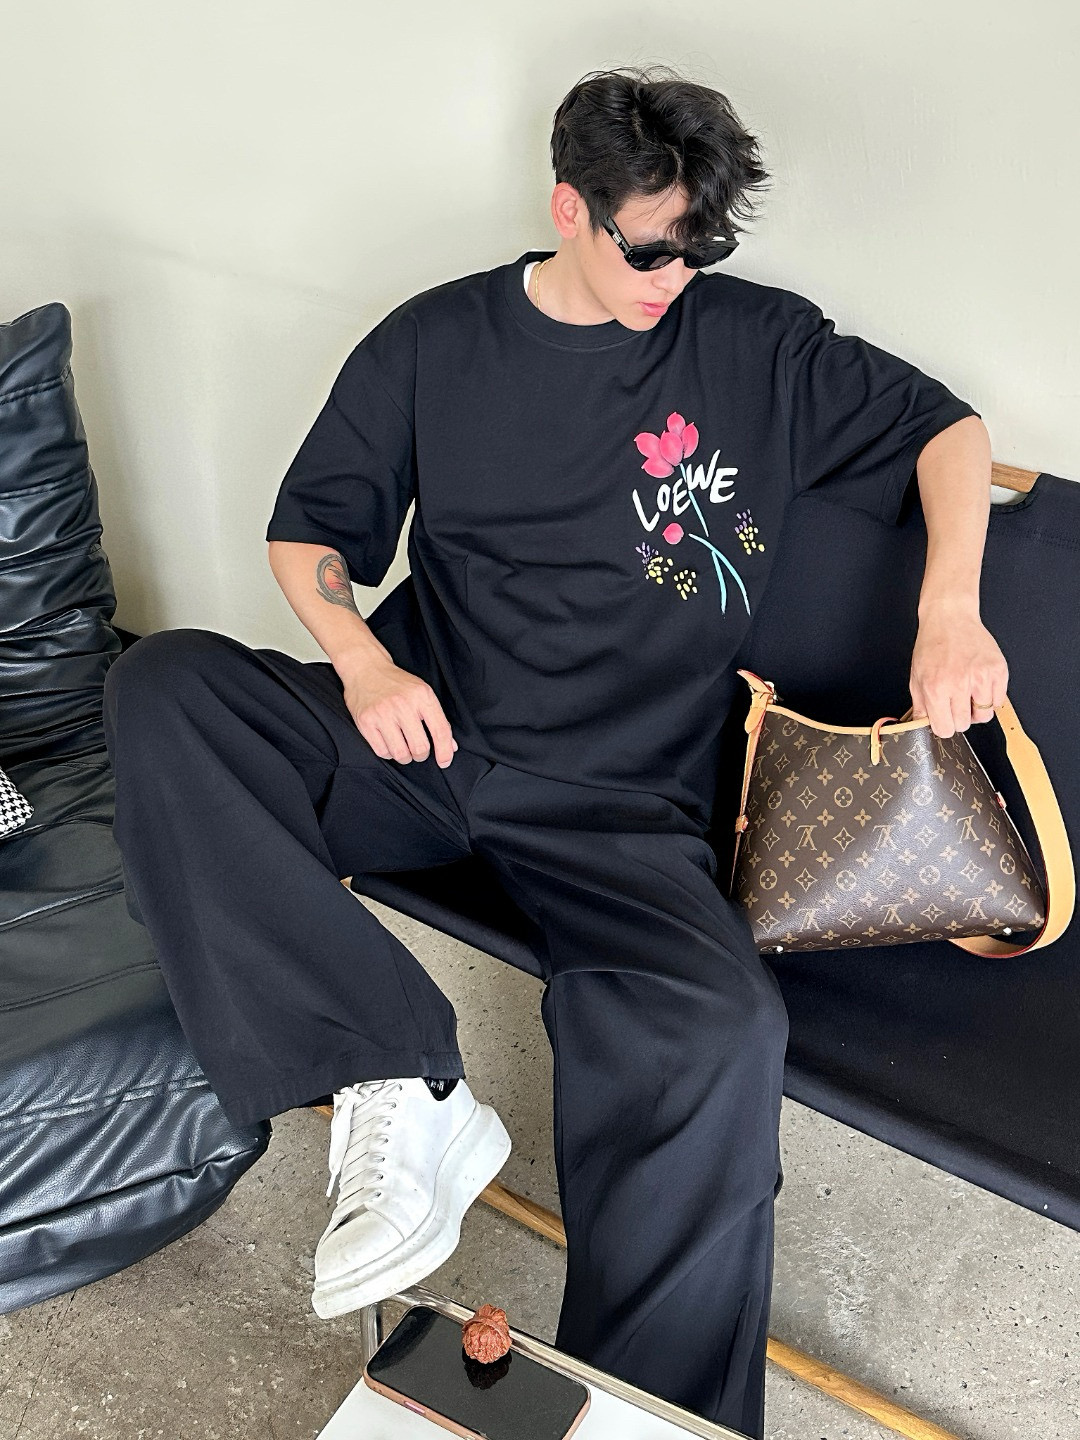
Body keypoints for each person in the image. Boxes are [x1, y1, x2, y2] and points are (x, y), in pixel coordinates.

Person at [102, 63, 1005, 1439]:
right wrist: (365, 662)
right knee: (166, 689)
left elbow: (948, 431)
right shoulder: (435, 343)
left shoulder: (759, 345)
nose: (674, 278)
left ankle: (651, 1413)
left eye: (701, 249)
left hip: (624, 809)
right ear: (567, 208)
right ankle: (401, 1075)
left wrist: (951, 611)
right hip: (427, 741)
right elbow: (310, 536)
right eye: (650, 249)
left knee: (717, 1031)